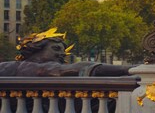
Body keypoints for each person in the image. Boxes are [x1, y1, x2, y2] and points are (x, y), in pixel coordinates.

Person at [0, 28, 132, 77]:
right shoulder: (30, 67)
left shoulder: (6, 66)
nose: (62, 54)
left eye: (63, 51)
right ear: (36, 48)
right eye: (56, 49)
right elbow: (73, 68)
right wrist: (128, 69)